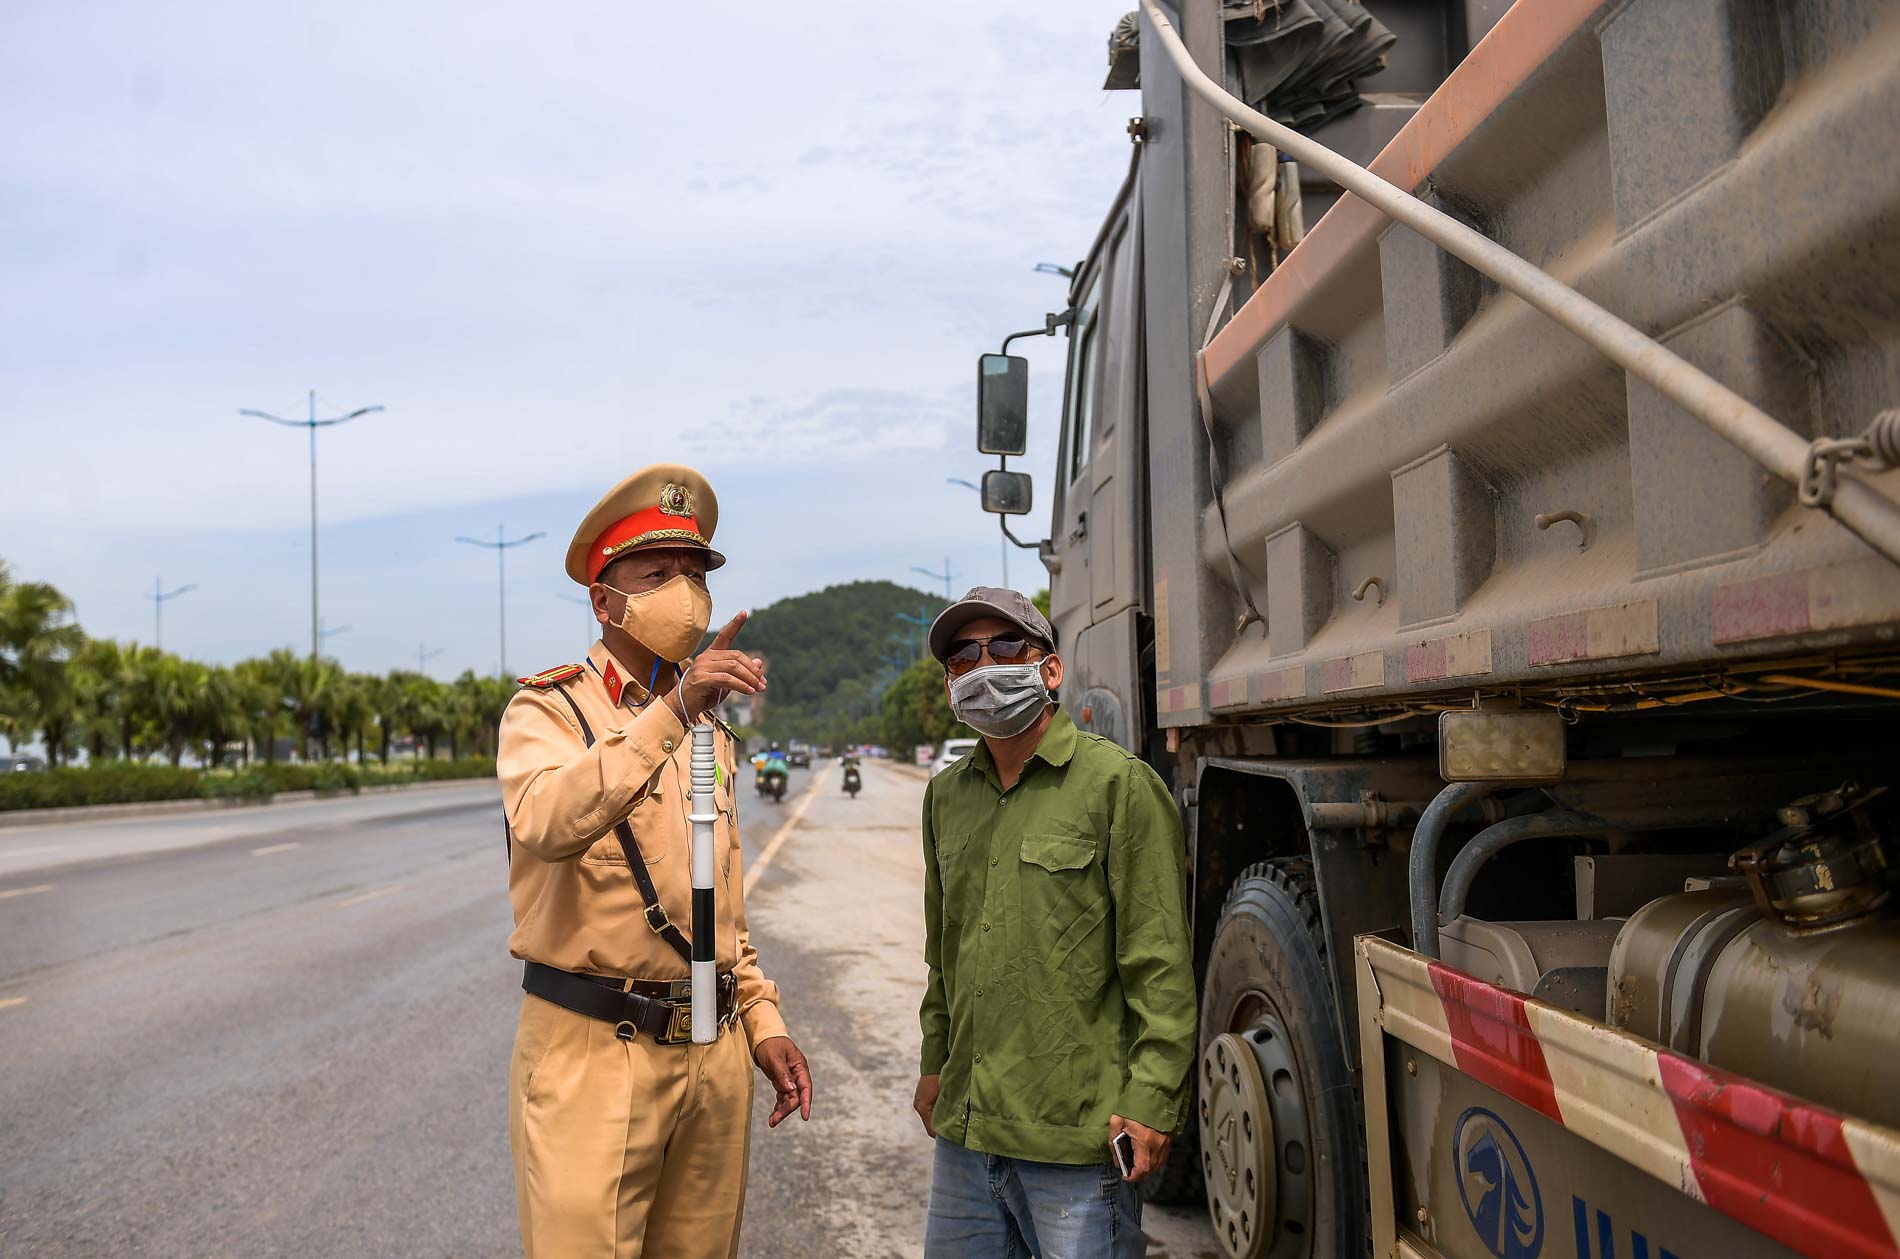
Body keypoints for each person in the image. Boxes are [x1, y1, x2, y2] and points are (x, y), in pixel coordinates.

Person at [497, 463, 813, 1259]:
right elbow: (547, 821)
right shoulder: (551, 710)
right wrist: (674, 710)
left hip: (712, 1049)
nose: (687, 591)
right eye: (659, 572)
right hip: (593, 1055)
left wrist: (762, 1020)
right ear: (605, 600)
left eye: (697, 572)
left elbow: (718, 911)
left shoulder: (713, 733)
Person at [912, 587, 1197, 1259]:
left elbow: (1159, 964)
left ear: (1050, 669)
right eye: (962, 656)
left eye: (1005, 646)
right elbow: (942, 955)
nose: (983, 665)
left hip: (1075, 1145)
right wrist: (934, 1062)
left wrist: (1153, 1097)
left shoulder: (1117, 787)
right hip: (967, 1137)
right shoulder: (946, 797)